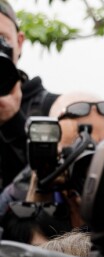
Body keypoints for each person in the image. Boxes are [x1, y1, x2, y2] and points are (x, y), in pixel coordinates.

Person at [0, 90, 104, 234]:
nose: (89, 167)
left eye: (101, 153)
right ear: (52, 152)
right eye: (76, 151)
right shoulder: (19, 194)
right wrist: (38, 196)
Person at [0, 0, 58, 189]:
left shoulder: (51, 109)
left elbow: (56, 180)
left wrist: (14, 121)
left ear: (19, 42)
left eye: (2, 38)